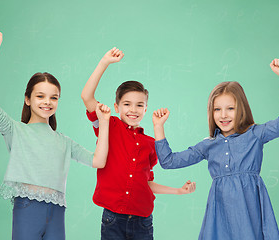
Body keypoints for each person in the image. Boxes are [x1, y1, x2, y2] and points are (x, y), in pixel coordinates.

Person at [0, 30, 111, 240]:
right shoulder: (15, 130)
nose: (47, 102)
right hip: (28, 208)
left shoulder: (64, 142)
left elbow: (99, 160)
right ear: (28, 99)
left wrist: (104, 122)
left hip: (56, 212)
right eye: (40, 96)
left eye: (53, 98)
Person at [152, 59, 279, 240]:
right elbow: (169, 162)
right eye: (217, 109)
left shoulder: (255, 134)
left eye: (230, 108)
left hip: (250, 211)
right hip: (220, 215)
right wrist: (158, 127)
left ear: (241, 109)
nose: (223, 115)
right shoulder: (208, 144)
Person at [81, 47, 196, 240]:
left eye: (139, 105)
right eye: (127, 104)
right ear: (117, 107)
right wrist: (104, 62)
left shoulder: (150, 144)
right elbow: (87, 97)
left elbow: (146, 183)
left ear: (145, 108)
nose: (133, 109)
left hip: (143, 220)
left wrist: (178, 191)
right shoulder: (108, 125)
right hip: (113, 218)